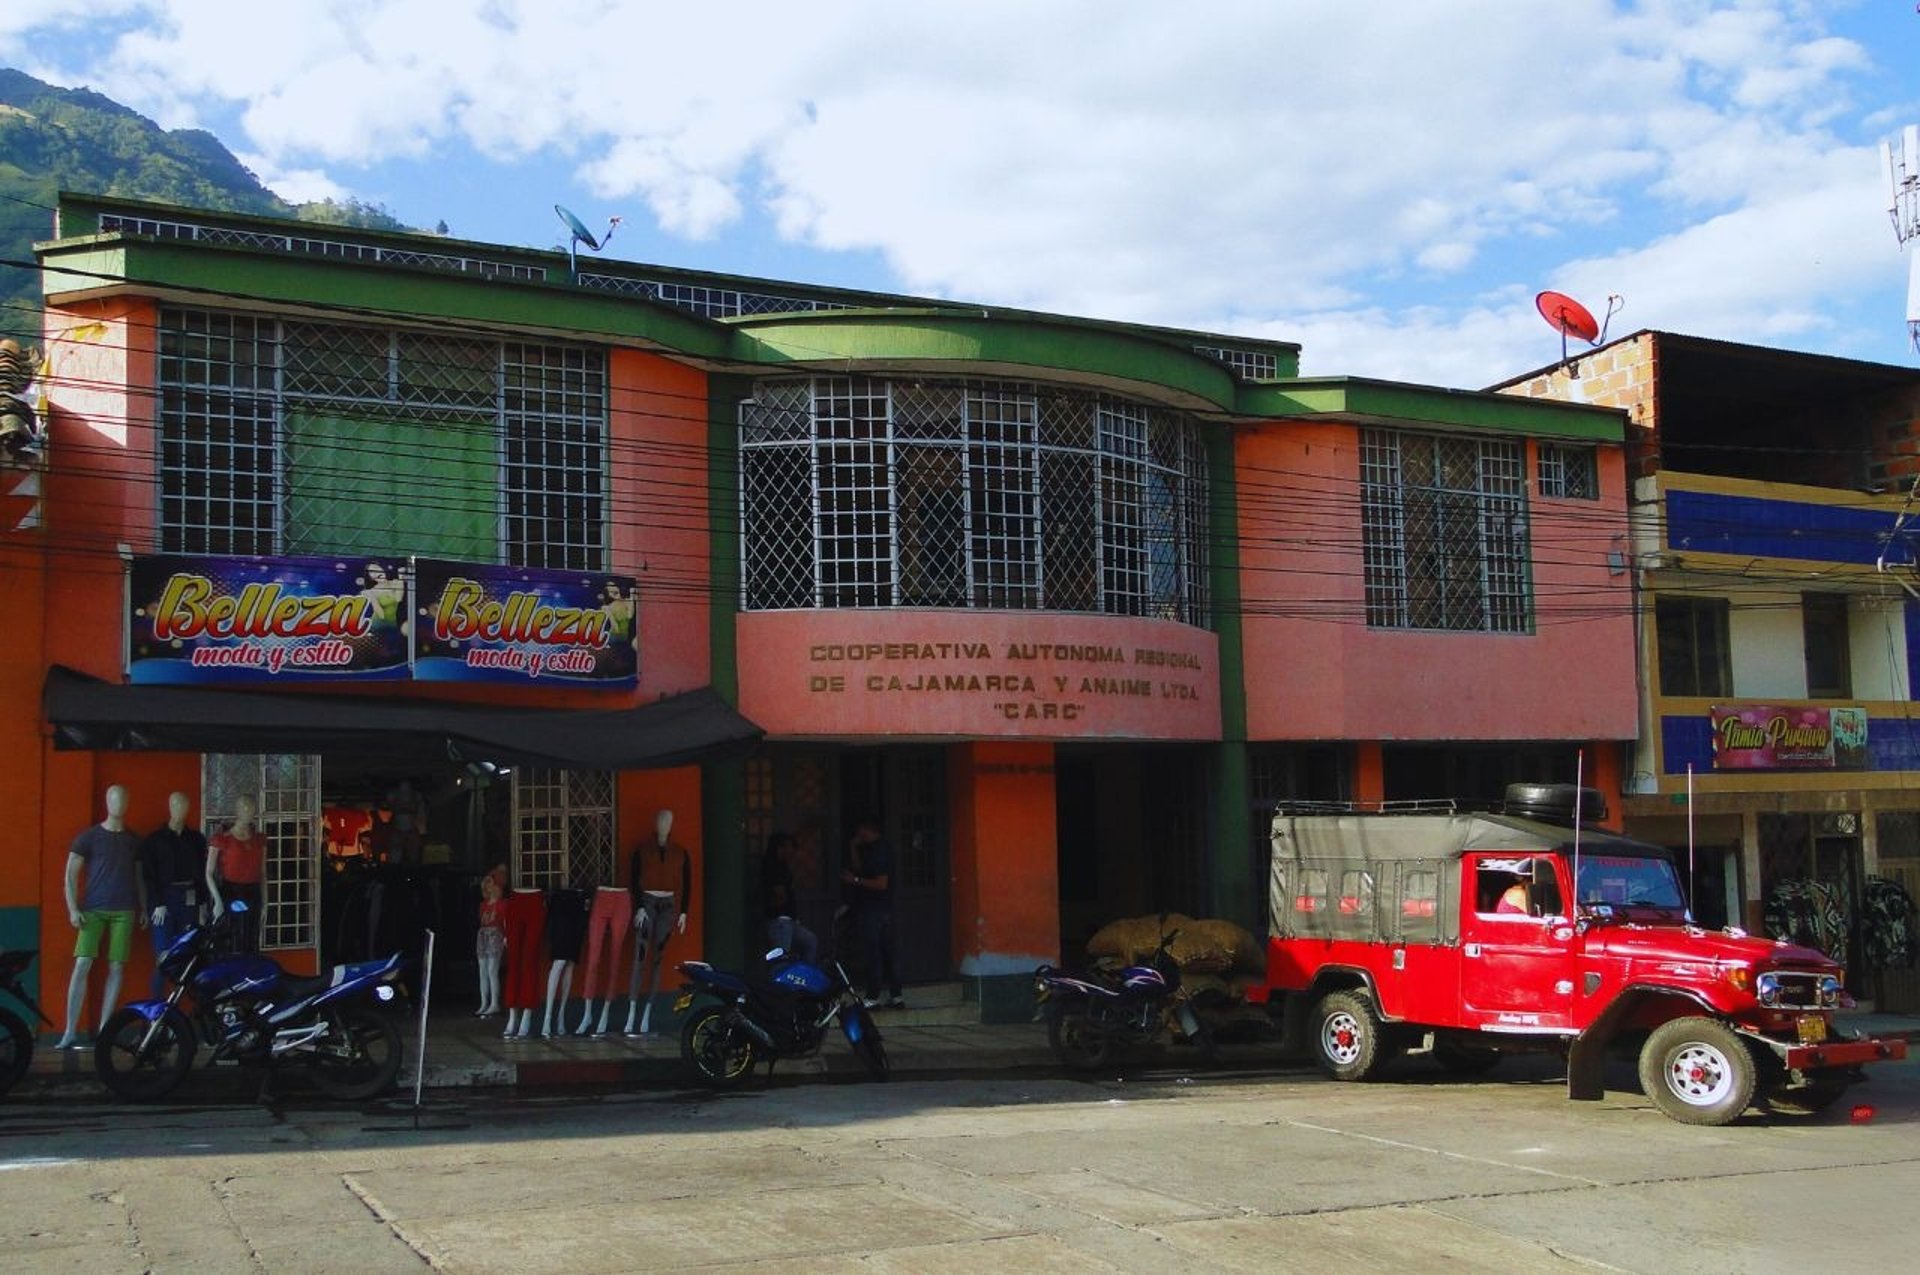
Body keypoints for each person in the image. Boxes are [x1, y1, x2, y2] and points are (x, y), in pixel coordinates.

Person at [57, 785, 147, 1049]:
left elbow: (140, 877)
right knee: (82, 963)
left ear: (128, 802)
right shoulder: (89, 837)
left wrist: (143, 906)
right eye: (113, 799)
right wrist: (72, 908)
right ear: (107, 801)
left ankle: (106, 1029)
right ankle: (71, 1029)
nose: (118, 804)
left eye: (122, 799)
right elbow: (70, 874)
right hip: (92, 909)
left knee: (117, 966)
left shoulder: (134, 840)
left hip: (125, 909)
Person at [140, 790, 207, 997]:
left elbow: (201, 874)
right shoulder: (155, 840)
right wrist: (157, 903)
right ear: (170, 807)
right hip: (164, 900)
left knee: (187, 955)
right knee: (164, 956)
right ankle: (155, 1012)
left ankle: (177, 1011)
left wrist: (203, 905)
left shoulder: (195, 839)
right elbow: (149, 876)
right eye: (177, 805)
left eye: (184, 806)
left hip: (189, 898)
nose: (181, 810)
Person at [843, 819, 903, 1010]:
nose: (858, 834)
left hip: (875, 909)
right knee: (886, 952)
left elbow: (880, 883)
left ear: (867, 829)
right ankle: (896, 996)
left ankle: (873, 996)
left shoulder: (880, 851)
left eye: (860, 831)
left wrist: (856, 880)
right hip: (880, 908)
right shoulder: (873, 849)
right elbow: (861, 868)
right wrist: (853, 848)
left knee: (874, 952)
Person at [206, 795, 266, 953]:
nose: (248, 811)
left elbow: (263, 873)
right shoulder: (222, 839)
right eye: (244, 807)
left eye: (251, 808)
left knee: (251, 939)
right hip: (231, 892)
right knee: (232, 938)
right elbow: (209, 873)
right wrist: (217, 900)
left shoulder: (259, 840)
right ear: (237, 810)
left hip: (253, 893)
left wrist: (265, 902)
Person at [762, 831, 817, 964]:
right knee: (781, 956)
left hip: (788, 920)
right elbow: (779, 894)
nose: (790, 851)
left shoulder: (784, 867)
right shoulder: (773, 867)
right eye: (786, 847)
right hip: (780, 920)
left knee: (809, 941)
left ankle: (804, 976)